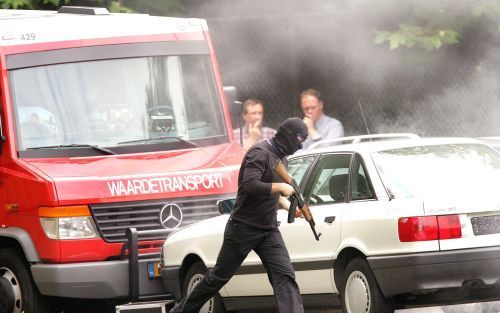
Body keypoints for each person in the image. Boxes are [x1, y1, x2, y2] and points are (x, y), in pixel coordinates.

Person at [170, 118, 308, 313]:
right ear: (288, 135)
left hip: (268, 230)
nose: (300, 145)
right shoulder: (260, 153)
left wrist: (289, 207)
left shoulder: (281, 157)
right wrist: (280, 186)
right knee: (217, 278)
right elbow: (250, 185)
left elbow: (272, 193)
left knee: (285, 276)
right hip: (242, 228)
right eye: (299, 139)